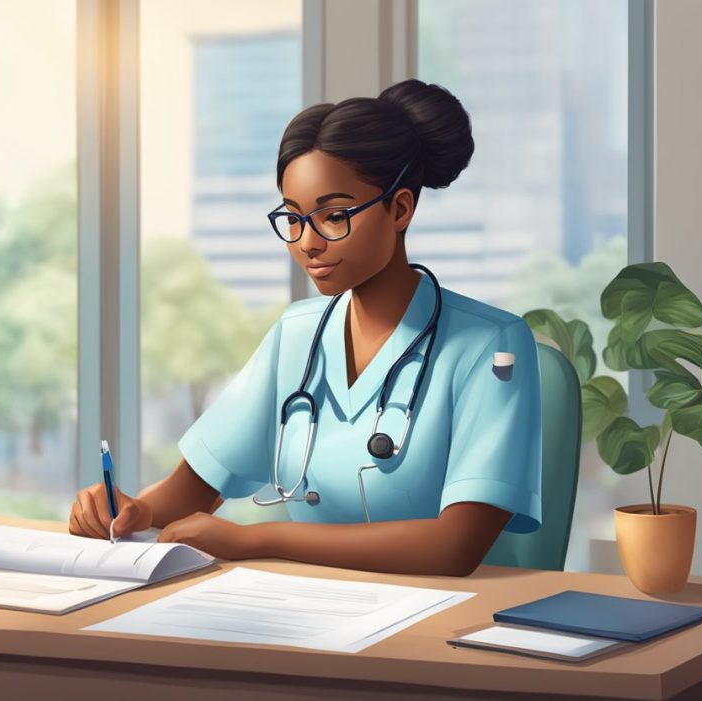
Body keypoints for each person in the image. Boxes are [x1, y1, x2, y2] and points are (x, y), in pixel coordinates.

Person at [69, 79, 542, 577]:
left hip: (436, 616)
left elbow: (455, 547)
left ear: (400, 208)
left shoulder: (491, 347)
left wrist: (260, 539)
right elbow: (198, 485)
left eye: (333, 216)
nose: (308, 243)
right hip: (306, 607)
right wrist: (134, 510)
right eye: (293, 219)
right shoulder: (297, 334)